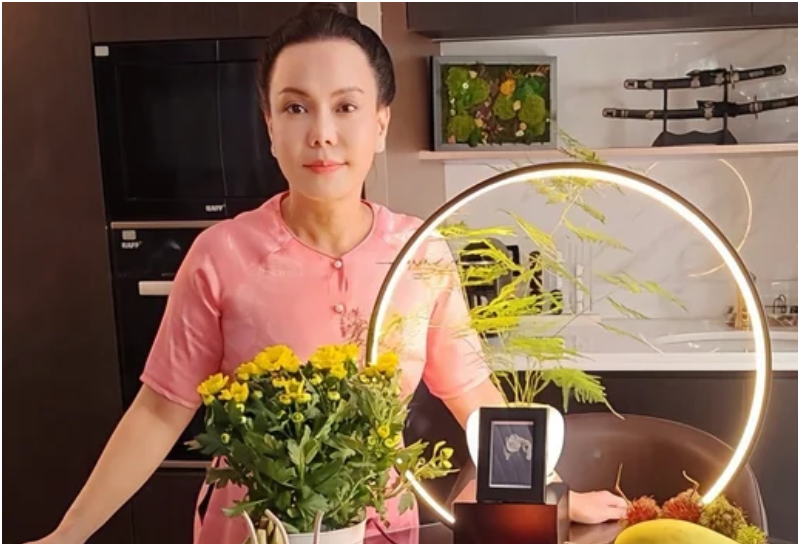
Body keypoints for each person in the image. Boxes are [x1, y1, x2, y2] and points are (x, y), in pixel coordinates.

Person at [29, 3, 626, 543]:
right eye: (296, 107)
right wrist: (67, 535)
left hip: (381, 528)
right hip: (253, 531)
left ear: (381, 124)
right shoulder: (221, 255)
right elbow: (160, 410)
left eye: (346, 107)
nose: (321, 133)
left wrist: (553, 495)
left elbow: (473, 396)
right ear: (269, 126)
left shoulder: (420, 253)